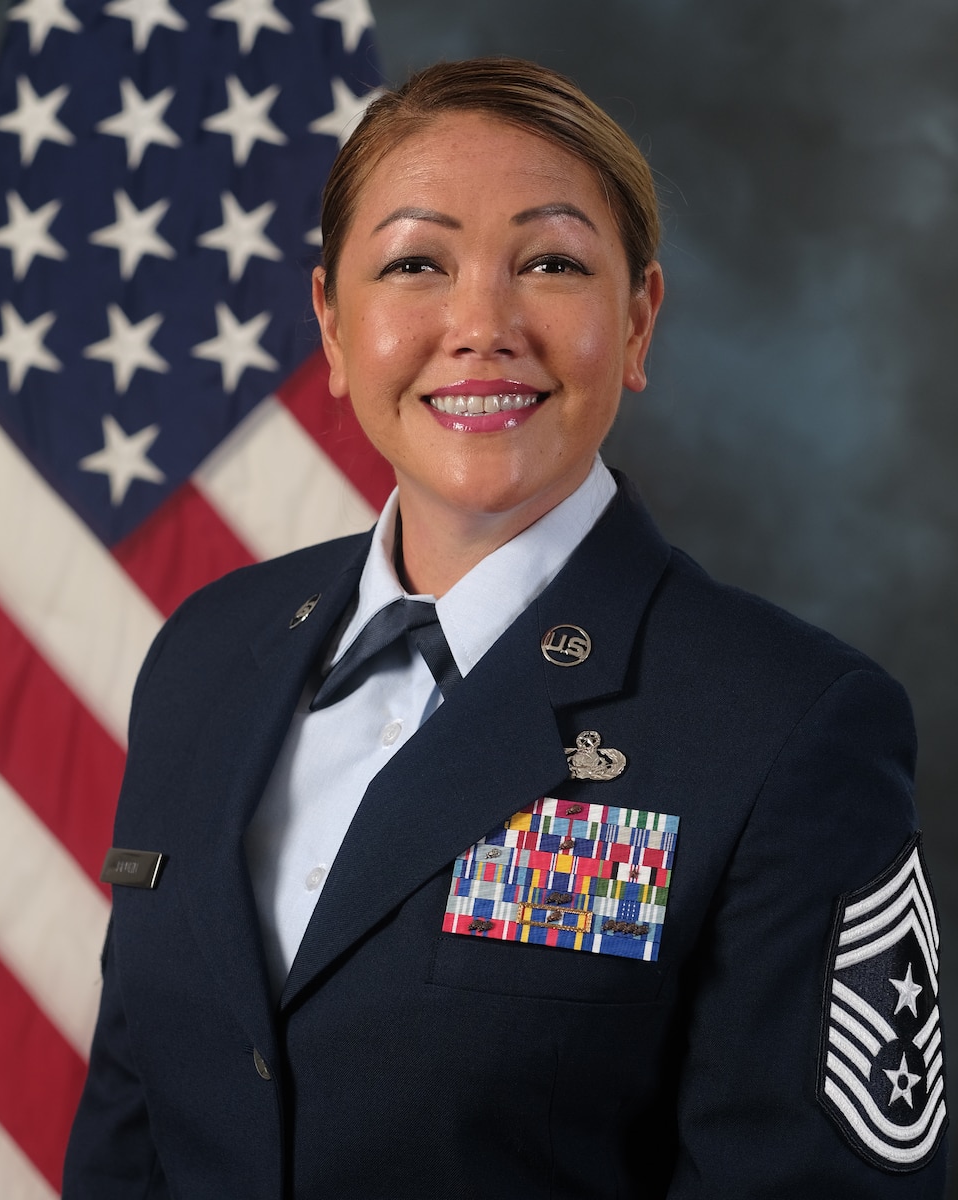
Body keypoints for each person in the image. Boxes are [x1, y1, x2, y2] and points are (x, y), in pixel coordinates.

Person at [64, 57, 947, 1198]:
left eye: (552, 263)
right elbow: (129, 1146)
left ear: (637, 321)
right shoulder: (206, 654)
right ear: (332, 324)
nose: (481, 325)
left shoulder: (789, 728)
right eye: (417, 263)